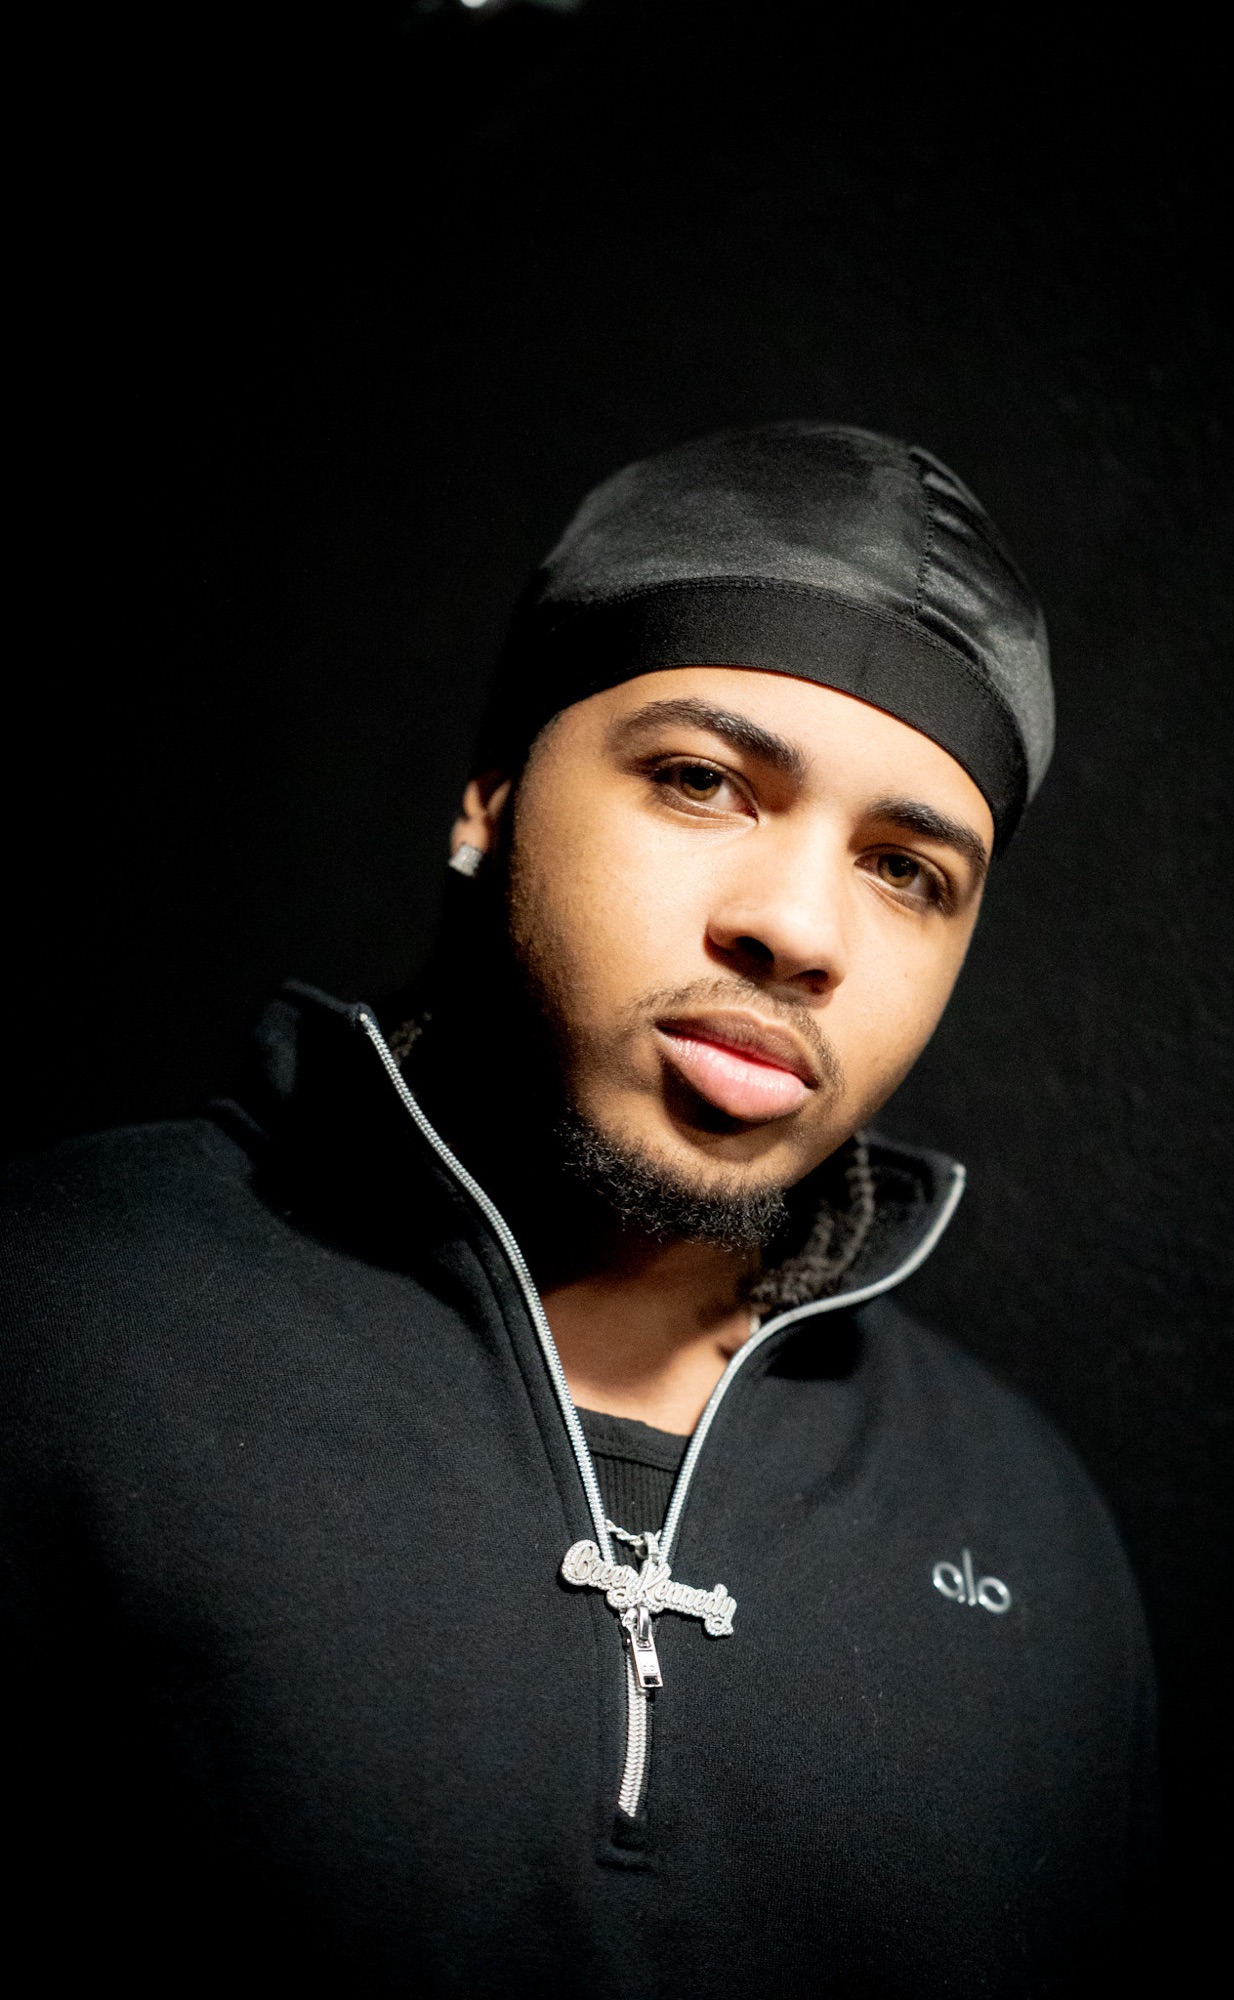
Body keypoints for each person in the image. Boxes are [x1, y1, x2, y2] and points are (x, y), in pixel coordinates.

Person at [0, 424, 1155, 1996]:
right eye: (700, 781)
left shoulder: (1031, 1531)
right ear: (488, 800)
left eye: (905, 871)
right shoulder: (55, 1318)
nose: (797, 928)